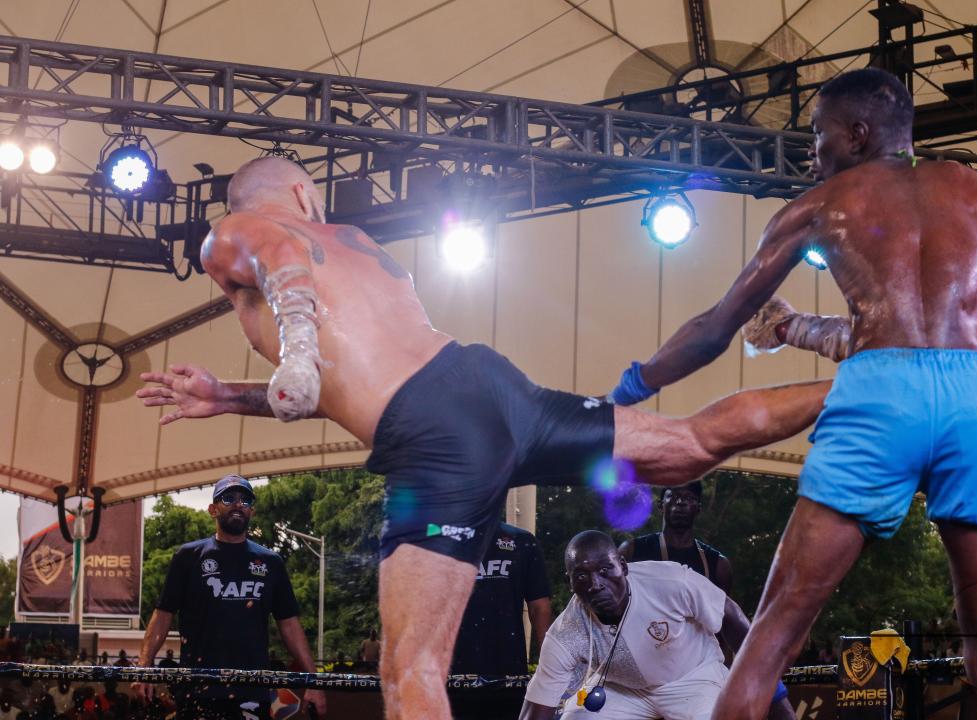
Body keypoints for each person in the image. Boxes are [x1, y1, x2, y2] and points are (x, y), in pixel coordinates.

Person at [136, 155, 829, 720]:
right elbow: (357, 388)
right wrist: (230, 395)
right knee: (688, 446)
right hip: (488, 387)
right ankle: (862, 384)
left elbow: (276, 252)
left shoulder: (244, 229)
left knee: (411, 672)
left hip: (435, 434)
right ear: (306, 192)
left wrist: (292, 343)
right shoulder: (362, 249)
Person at [607, 67, 977, 720]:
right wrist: (803, 329)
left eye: (818, 133)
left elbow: (716, 329)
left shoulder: (820, 205)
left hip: (883, 391)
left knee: (770, 641)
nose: (813, 151)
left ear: (858, 134)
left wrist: (640, 380)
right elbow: (927, 317)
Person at [519, 531, 794, 720]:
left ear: (623, 567)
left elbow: (733, 619)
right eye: (581, 575)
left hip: (693, 677)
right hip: (620, 689)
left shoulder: (671, 582)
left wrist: (777, 699)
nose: (595, 584)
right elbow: (537, 707)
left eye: (605, 570)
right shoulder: (566, 633)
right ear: (571, 584)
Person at [132, 474, 327, 719]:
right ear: (213, 509)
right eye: (228, 498)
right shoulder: (189, 556)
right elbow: (162, 615)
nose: (237, 504)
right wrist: (143, 668)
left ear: (252, 512)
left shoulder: (270, 562)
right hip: (198, 687)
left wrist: (314, 681)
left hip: (252, 690)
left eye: (245, 501)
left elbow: (289, 625)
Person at [451, 523, 552, 719]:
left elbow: (540, 608)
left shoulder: (521, 540)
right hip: (449, 677)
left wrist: (549, 668)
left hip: (508, 677)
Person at [618, 481, 732, 593]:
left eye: (689, 497)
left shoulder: (718, 564)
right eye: (673, 495)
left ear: (698, 508)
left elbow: (721, 610)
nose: (680, 502)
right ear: (660, 505)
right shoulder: (631, 551)